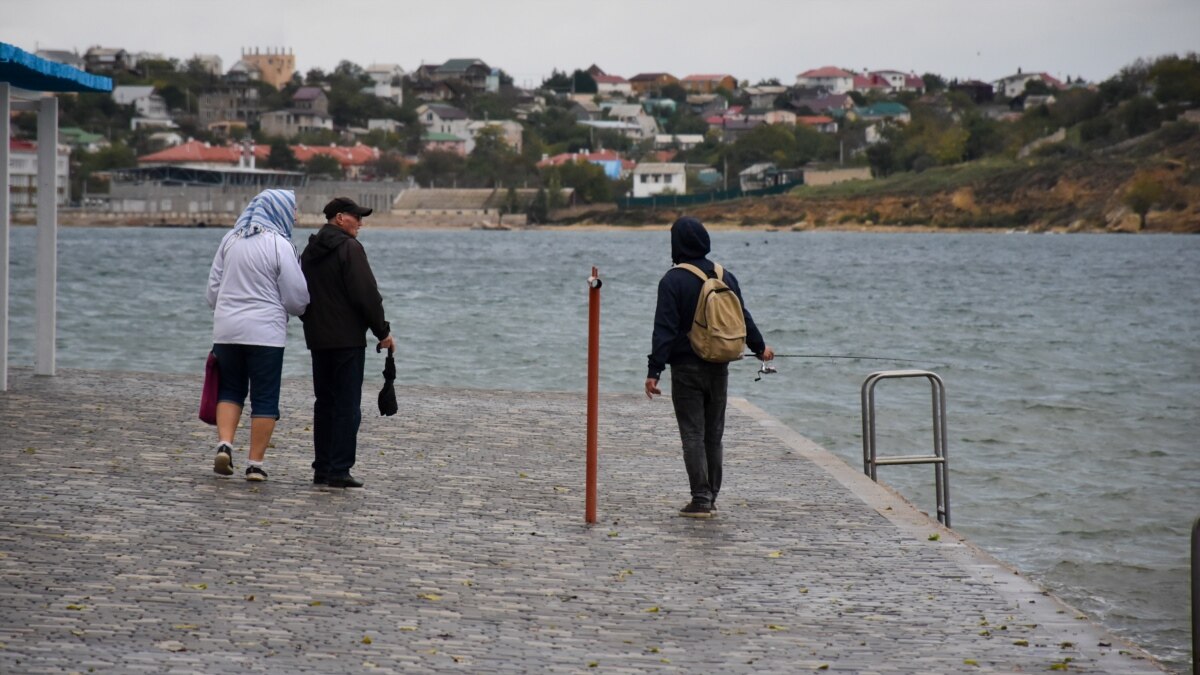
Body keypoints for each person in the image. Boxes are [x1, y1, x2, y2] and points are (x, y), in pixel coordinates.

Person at [645, 216, 774, 518]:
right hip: (720, 364)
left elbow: (663, 330)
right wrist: (760, 348)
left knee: (692, 434)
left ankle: (700, 499)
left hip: (686, 369)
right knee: (713, 435)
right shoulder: (724, 275)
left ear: (677, 244)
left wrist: (654, 372)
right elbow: (742, 316)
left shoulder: (672, 280)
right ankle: (711, 496)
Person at [205, 188, 309, 481]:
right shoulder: (280, 244)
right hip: (265, 334)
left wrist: (226, 308)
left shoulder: (230, 239)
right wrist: (293, 310)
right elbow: (296, 296)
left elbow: (212, 290)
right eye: (292, 211)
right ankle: (255, 464)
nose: (296, 217)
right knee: (264, 398)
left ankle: (224, 444)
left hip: (226, 331)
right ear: (278, 212)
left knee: (229, 390)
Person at [299, 197, 395, 488]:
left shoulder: (310, 250)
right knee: (347, 405)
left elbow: (301, 292)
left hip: (319, 339)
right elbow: (366, 294)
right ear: (340, 218)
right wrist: (383, 332)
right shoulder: (349, 249)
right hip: (347, 340)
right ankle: (340, 469)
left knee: (324, 403)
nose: (361, 223)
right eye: (357, 217)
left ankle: (323, 468)